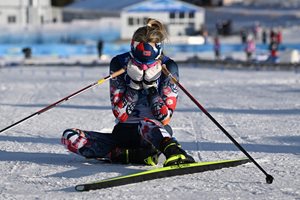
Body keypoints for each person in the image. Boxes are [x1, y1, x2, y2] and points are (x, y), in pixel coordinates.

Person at [61, 18, 195, 167]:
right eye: (139, 63)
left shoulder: (168, 66)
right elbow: (120, 114)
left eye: (148, 64)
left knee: (146, 123)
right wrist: (134, 86)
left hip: (152, 133)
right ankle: (132, 155)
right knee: (69, 136)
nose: (143, 68)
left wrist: (151, 88)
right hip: (123, 133)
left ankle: (174, 153)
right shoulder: (119, 63)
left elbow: (164, 118)